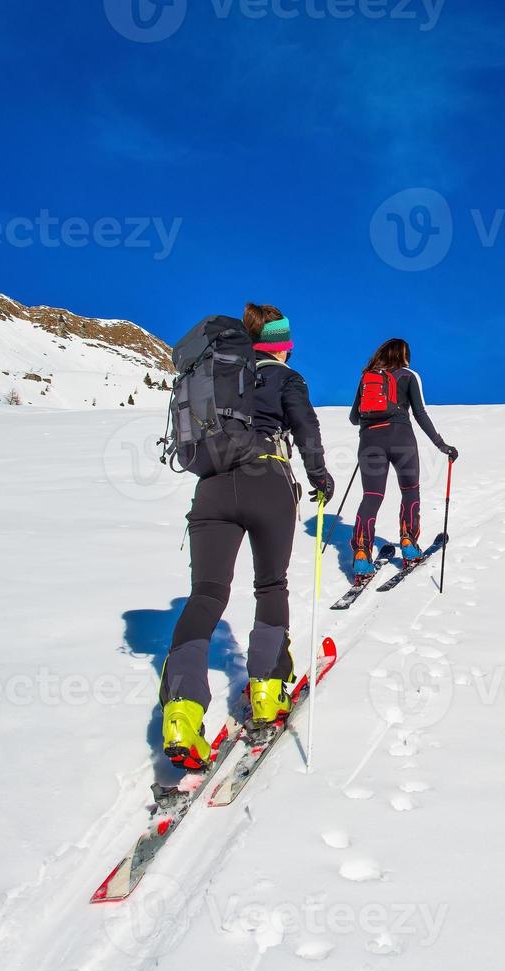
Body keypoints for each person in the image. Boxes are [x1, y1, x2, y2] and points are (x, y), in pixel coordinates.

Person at [161, 305, 336, 770]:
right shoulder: (286, 379)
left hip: (213, 486)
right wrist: (319, 476)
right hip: (269, 481)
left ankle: (181, 713)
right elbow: (306, 429)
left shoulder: (221, 377)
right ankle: (266, 691)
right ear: (282, 345)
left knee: (206, 596)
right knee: (270, 585)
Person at [348, 339, 458, 578]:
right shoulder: (408, 375)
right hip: (401, 439)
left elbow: (353, 417)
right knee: (410, 490)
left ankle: (360, 555)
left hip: (370, 442)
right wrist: (442, 445)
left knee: (371, 496)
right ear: (403, 355)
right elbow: (420, 413)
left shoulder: (367, 377)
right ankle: (408, 544)